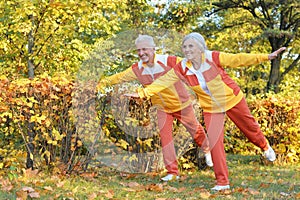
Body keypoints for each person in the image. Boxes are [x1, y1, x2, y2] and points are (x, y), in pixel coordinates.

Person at [136, 32, 286, 190]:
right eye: (184, 47)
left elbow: (238, 59)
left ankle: (264, 146)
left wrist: (266, 57)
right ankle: (222, 182)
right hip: (211, 107)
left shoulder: (213, 57)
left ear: (200, 47)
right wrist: (141, 93)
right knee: (215, 142)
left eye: (191, 46)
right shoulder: (182, 67)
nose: (187, 50)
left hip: (232, 99)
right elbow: (163, 81)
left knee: (250, 129)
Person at [97, 34, 213, 182]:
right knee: (166, 139)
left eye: (144, 49)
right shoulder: (137, 69)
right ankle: (172, 172)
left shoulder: (169, 61)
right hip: (161, 107)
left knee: (195, 129)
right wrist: (98, 83)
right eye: (138, 50)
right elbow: (118, 77)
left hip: (181, 104)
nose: (141, 53)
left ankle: (207, 149)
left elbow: (190, 65)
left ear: (153, 49)